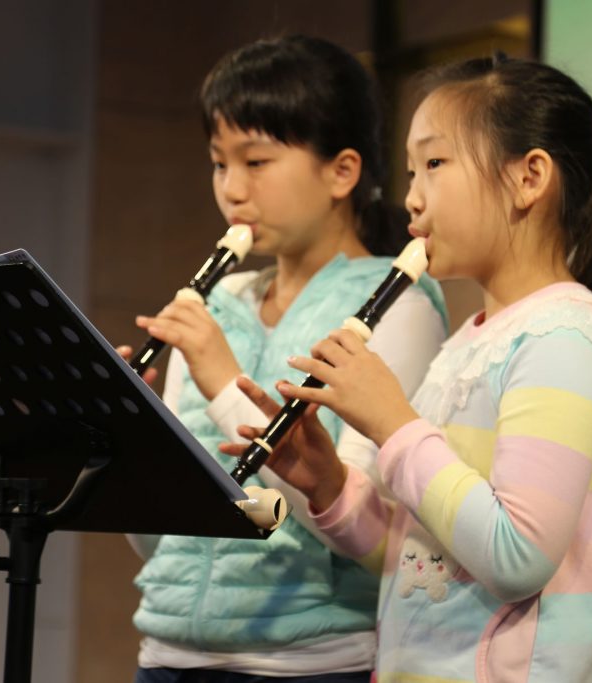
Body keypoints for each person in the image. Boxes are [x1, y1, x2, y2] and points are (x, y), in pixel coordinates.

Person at [223, 53, 592, 681]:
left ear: (529, 177)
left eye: (434, 164)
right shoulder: (469, 341)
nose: (411, 197)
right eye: (410, 171)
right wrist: (329, 484)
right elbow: (417, 562)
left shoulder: (567, 338)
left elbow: (516, 556)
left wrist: (395, 425)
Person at [120, 35, 448, 682]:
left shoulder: (398, 304)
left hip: (309, 662)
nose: (232, 190)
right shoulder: (216, 302)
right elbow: (162, 542)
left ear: (341, 172)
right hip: (165, 655)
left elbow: (360, 531)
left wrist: (223, 386)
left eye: (256, 162)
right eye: (219, 164)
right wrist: (134, 444)